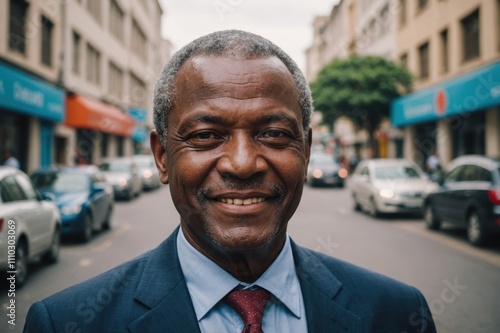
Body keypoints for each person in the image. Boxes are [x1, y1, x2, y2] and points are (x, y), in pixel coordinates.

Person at [24, 30, 436, 333]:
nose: (242, 164)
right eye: (206, 136)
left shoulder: (396, 313)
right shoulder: (64, 323)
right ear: (162, 156)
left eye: (273, 134)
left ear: (306, 151)